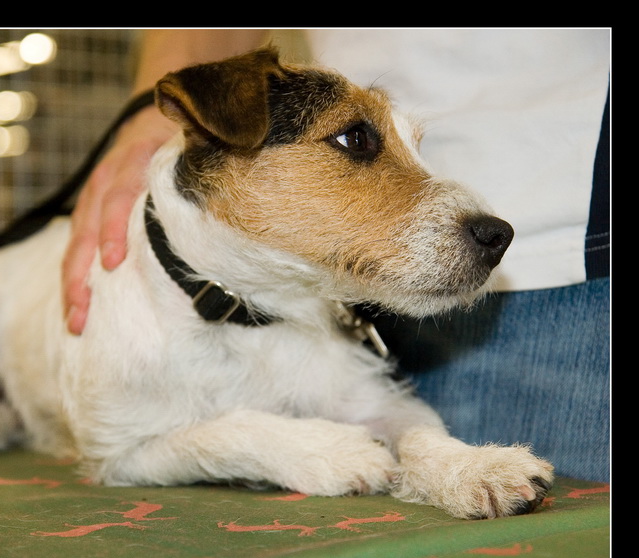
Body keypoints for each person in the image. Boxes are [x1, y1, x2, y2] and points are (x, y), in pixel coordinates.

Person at [60, 29, 611, 483]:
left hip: (576, 231)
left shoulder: (316, 309)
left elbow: (383, 416)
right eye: (355, 141)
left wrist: (439, 462)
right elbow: (113, 451)